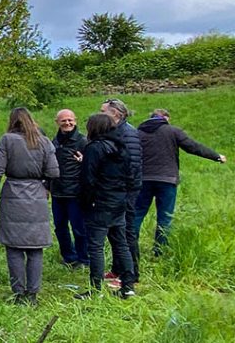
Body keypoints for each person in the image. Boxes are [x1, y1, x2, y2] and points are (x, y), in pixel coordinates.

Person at [0, 107, 60, 305]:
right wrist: (45, 188)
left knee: (14, 247)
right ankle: (33, 293)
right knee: (35, 248)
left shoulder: (7, 140)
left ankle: (18, 292)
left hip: (13, 193)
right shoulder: (44, 141)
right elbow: (54, 172)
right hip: (37, 195)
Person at [135, 108, 227, 256]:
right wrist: (216, 156)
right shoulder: (173, 131)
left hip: (143, 179)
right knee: (165, 217)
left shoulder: (138, 133)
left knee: (137, 214)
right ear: (165, 118)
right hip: (167, 180)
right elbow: (193, 147)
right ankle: (160, 251)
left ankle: (130, 250)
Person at [76, 113, 136, 299]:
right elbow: (130, 175)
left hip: (100, 202)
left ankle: (95, 290)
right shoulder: (121, 147)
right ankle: (128, 286)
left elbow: (88, 179)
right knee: (121, 244)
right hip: (119, 201)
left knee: (95, 246)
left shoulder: (94, 148)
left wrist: (86, 202)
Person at [101, 97, 142, 283]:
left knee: (126, 232)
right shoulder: (114, 131)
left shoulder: (128, 133)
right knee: (115, 231)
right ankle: (118, 270)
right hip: (115, 190)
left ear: (115, 113)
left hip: (126, 191)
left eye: (103, 112)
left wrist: (124, 189)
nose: (100, 115)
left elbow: (132, 164)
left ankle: (130, 273)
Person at [50, 109, 88, 268]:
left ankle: (84, 259)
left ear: (76, 121)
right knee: (60, 228)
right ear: (57, 122)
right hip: (57, 192)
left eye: (70, 120)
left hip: (76, 193)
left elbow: (92, 166)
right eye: (64, 120)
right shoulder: (53, 142)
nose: (67, 123)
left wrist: (83, 161)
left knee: (79, 229)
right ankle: (68, 257)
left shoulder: (83, 141)